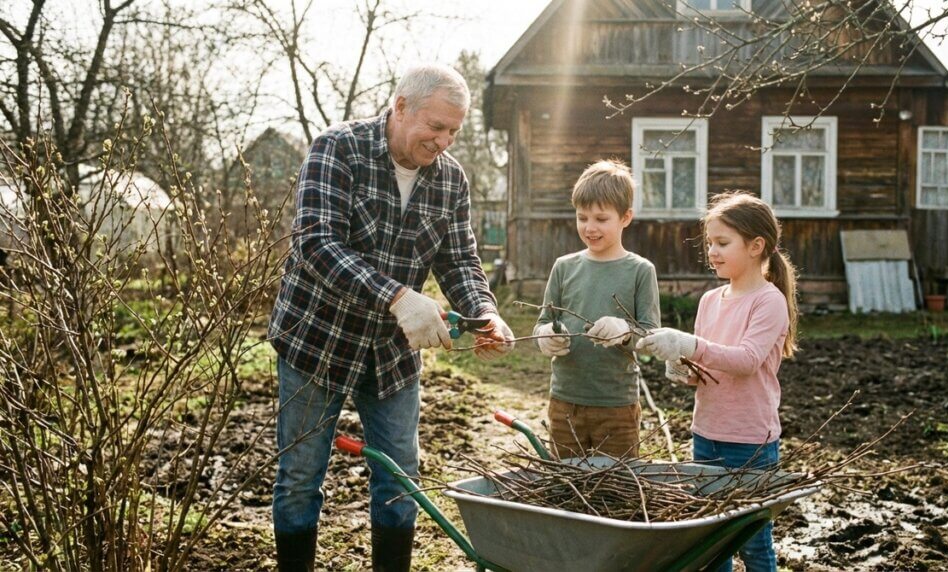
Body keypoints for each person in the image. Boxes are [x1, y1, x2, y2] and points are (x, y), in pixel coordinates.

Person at [267, 63, 515, 572]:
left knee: (401, 479)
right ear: (400, 107)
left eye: (454, 131)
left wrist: (484, 311)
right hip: (318, 342)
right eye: (436, 126)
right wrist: (398, 296)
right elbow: (315, 242)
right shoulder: (338, 149)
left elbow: (459, 260)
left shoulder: (451, 181)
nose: (444, 141)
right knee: (299, 478)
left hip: (391, 355)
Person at [636, 191, 799, 572]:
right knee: (712, 542)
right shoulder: (710, 300)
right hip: (705, 433)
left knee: (753, 542)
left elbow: (745, 361)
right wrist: (682, 366)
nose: (712, 251)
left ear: (757, 246)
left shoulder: (768, 301)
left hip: (749, 442)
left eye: (723, 243)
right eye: (709, 242)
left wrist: (691, 344)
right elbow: (706, 365)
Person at [533, 160, 660, 460]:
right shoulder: (564, 267)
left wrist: (625, 331)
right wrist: (545, 336)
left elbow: (651, 336)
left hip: (617, 405)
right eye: (582, 217)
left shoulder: (640, 270)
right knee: (566, 484)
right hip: (565, 401)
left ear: (626, 217)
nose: (590, 227)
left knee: (616, 489)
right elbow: (543, 321)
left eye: (601, 219)